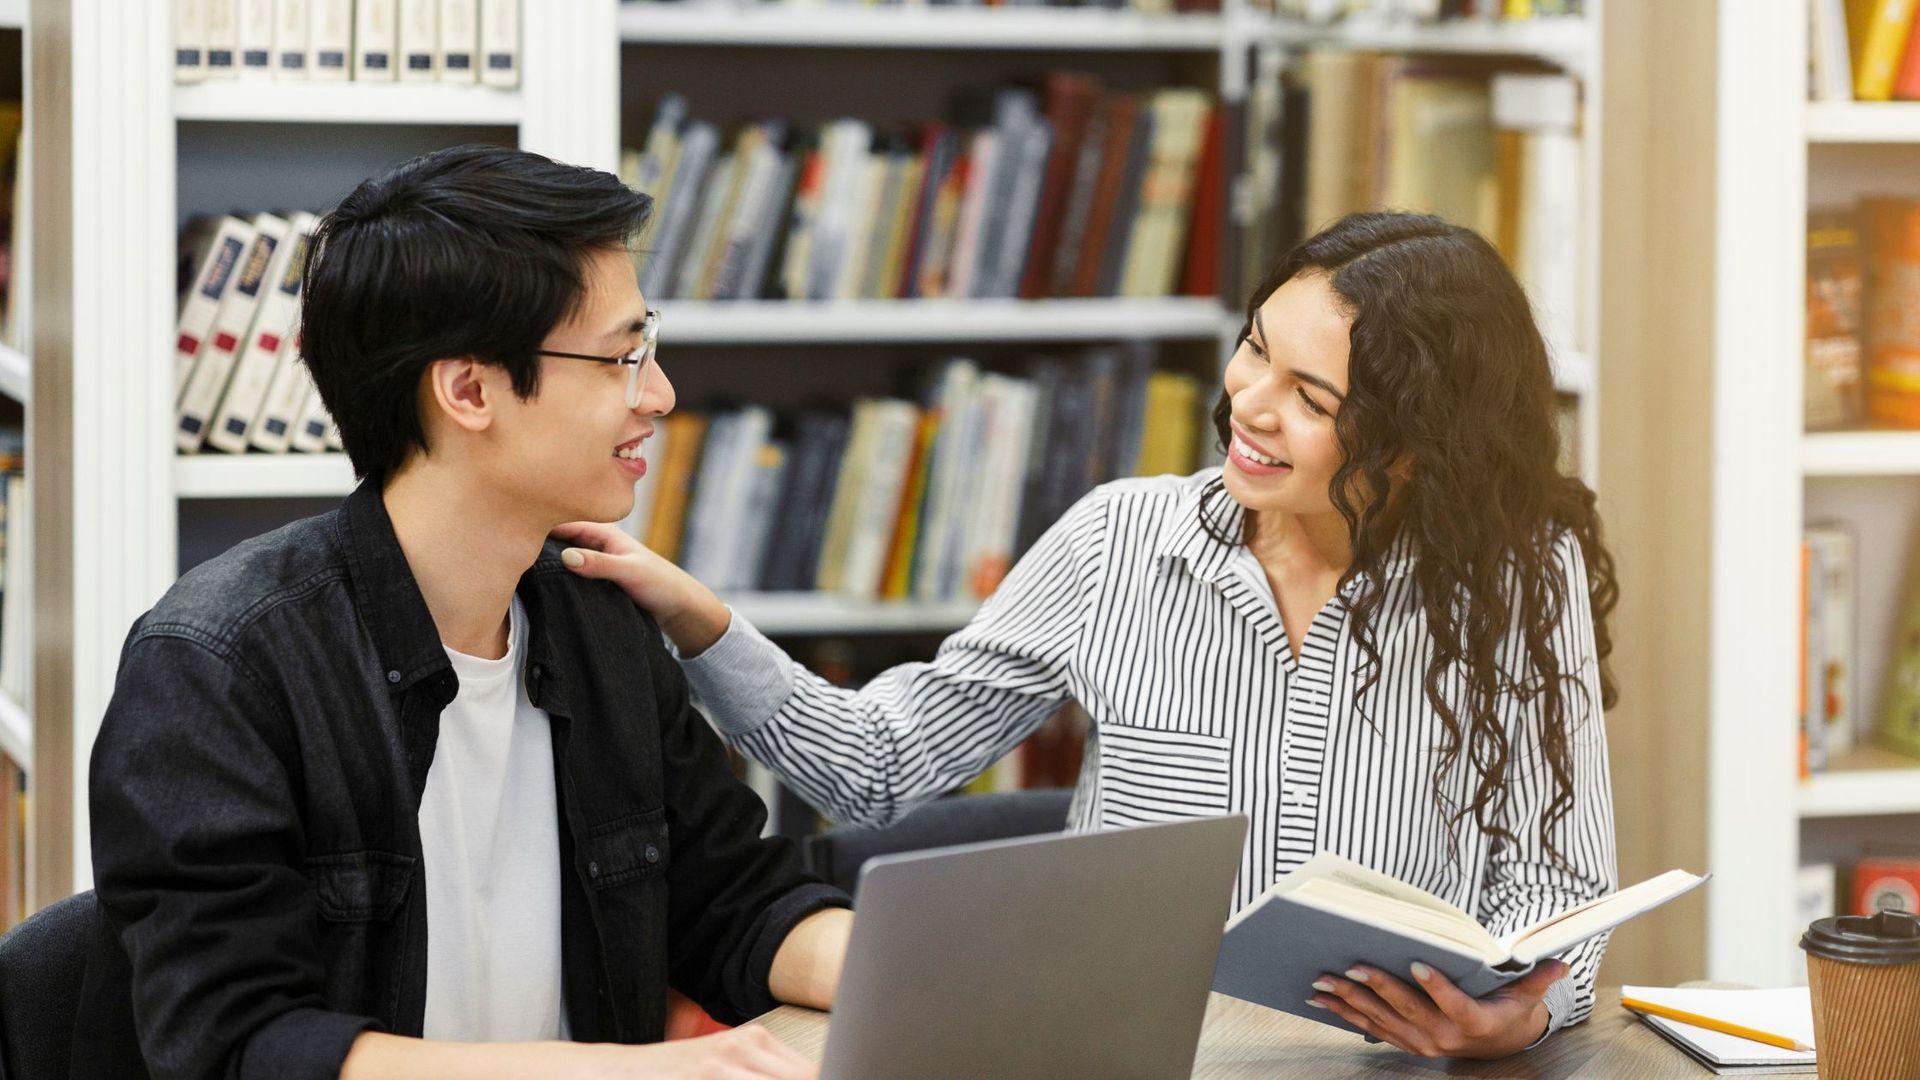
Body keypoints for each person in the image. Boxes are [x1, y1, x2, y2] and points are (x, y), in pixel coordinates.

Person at [555, 211, 1621, 1061]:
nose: (1249, 403)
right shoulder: (1121, 543)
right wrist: (697, 618)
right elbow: (875, 765)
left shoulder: (1521, 581)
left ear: (1415, 448)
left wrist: (1518, 1015)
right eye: (1254, 352)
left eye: (1310, 396)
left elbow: (1557, 886)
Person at [77, 144, 850, 1080]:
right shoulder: (219, 668)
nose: (659, 395)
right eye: (620, 358)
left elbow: (729, 899)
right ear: (470, 390)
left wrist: (925, 977)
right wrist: (630, 1074)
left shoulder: (597, 620)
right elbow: (242, 1048)